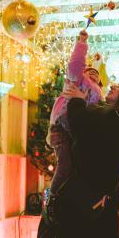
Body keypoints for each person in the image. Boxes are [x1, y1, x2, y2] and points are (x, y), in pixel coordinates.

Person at [53, 81, 119, 238]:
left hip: (86, 197)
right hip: (103, 199)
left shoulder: (112, 120)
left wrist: (78, 100)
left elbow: (80, 126)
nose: (113, 86)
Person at [45, 30, 102, 222]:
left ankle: (67, 201)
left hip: (75, 134)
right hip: (61, 128)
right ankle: (51, 200)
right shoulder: (77, 80)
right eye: (90, 71)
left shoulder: (97, 97)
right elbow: (76, 64)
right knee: (65, 165)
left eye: (96, 74)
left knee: (76, 168)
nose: (93, 74)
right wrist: (82, 43)